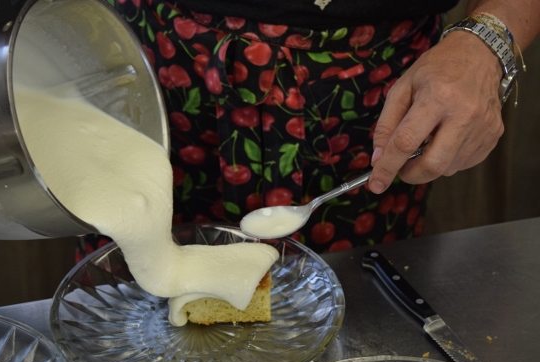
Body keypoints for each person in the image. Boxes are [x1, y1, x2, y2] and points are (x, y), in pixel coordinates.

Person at [79, 0, 539, 258]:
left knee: (354, 322)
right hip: (152, 68)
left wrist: (487, 44)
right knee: (129, 309)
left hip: (369, 96)